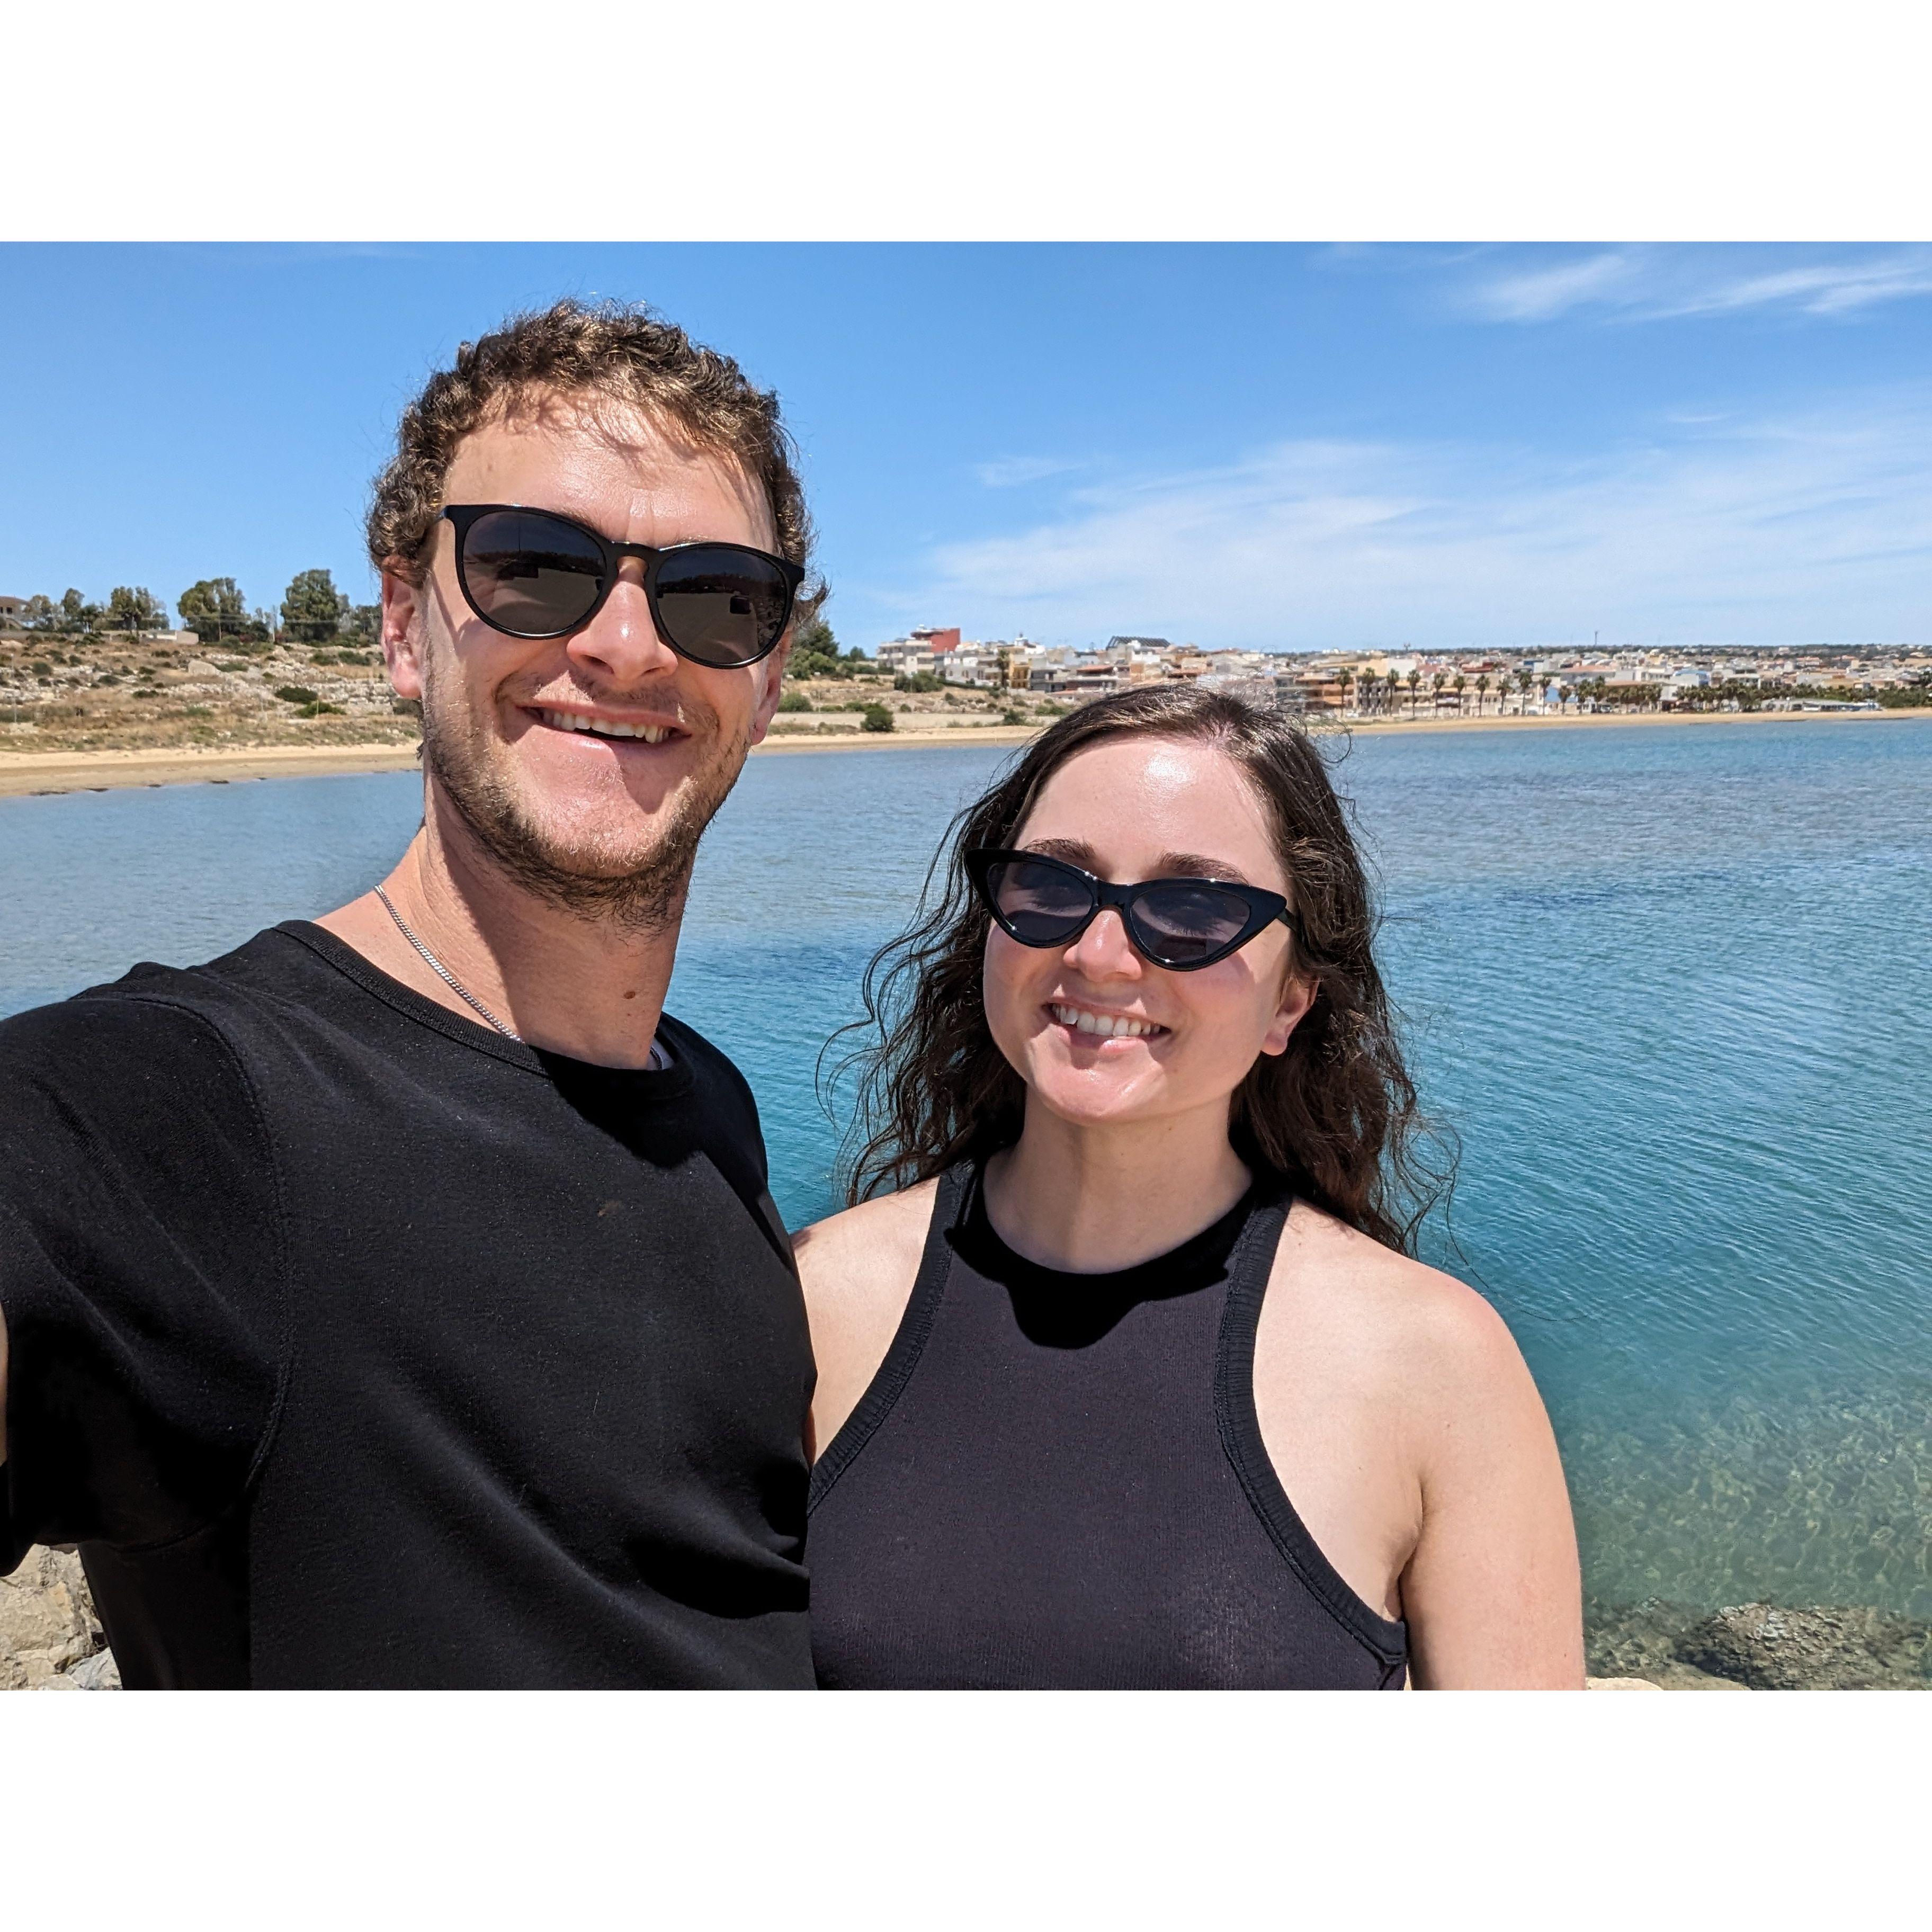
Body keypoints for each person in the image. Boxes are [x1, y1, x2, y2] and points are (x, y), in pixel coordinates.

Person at [0, 300, 819, 1687]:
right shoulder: (187, 1110)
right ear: (401, 625)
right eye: (534, 566)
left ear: (774, 672)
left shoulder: (706, 1101)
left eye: (717, 593)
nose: (627, 643)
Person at [796, 687, 1584, 1688]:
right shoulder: (813, 1303)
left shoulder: (1433, 1366)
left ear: (1290, 999)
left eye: (1195, 908)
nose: (1097, 954)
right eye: (1049, 886)